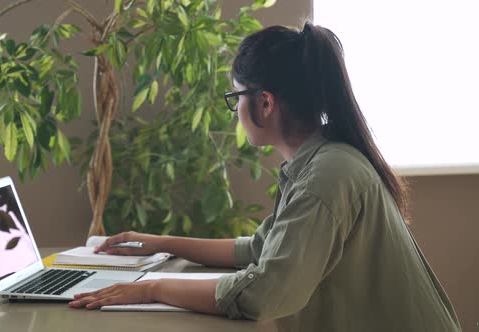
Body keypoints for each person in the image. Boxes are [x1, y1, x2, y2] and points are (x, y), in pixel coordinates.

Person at [68, 21, 462, 332]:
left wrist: (149, 289)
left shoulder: (327, 175)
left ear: (265, 102)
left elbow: (263, 293)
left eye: (234, 98)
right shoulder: (320, 161)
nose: (234, 110)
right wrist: (159, 244)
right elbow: (259, 249)